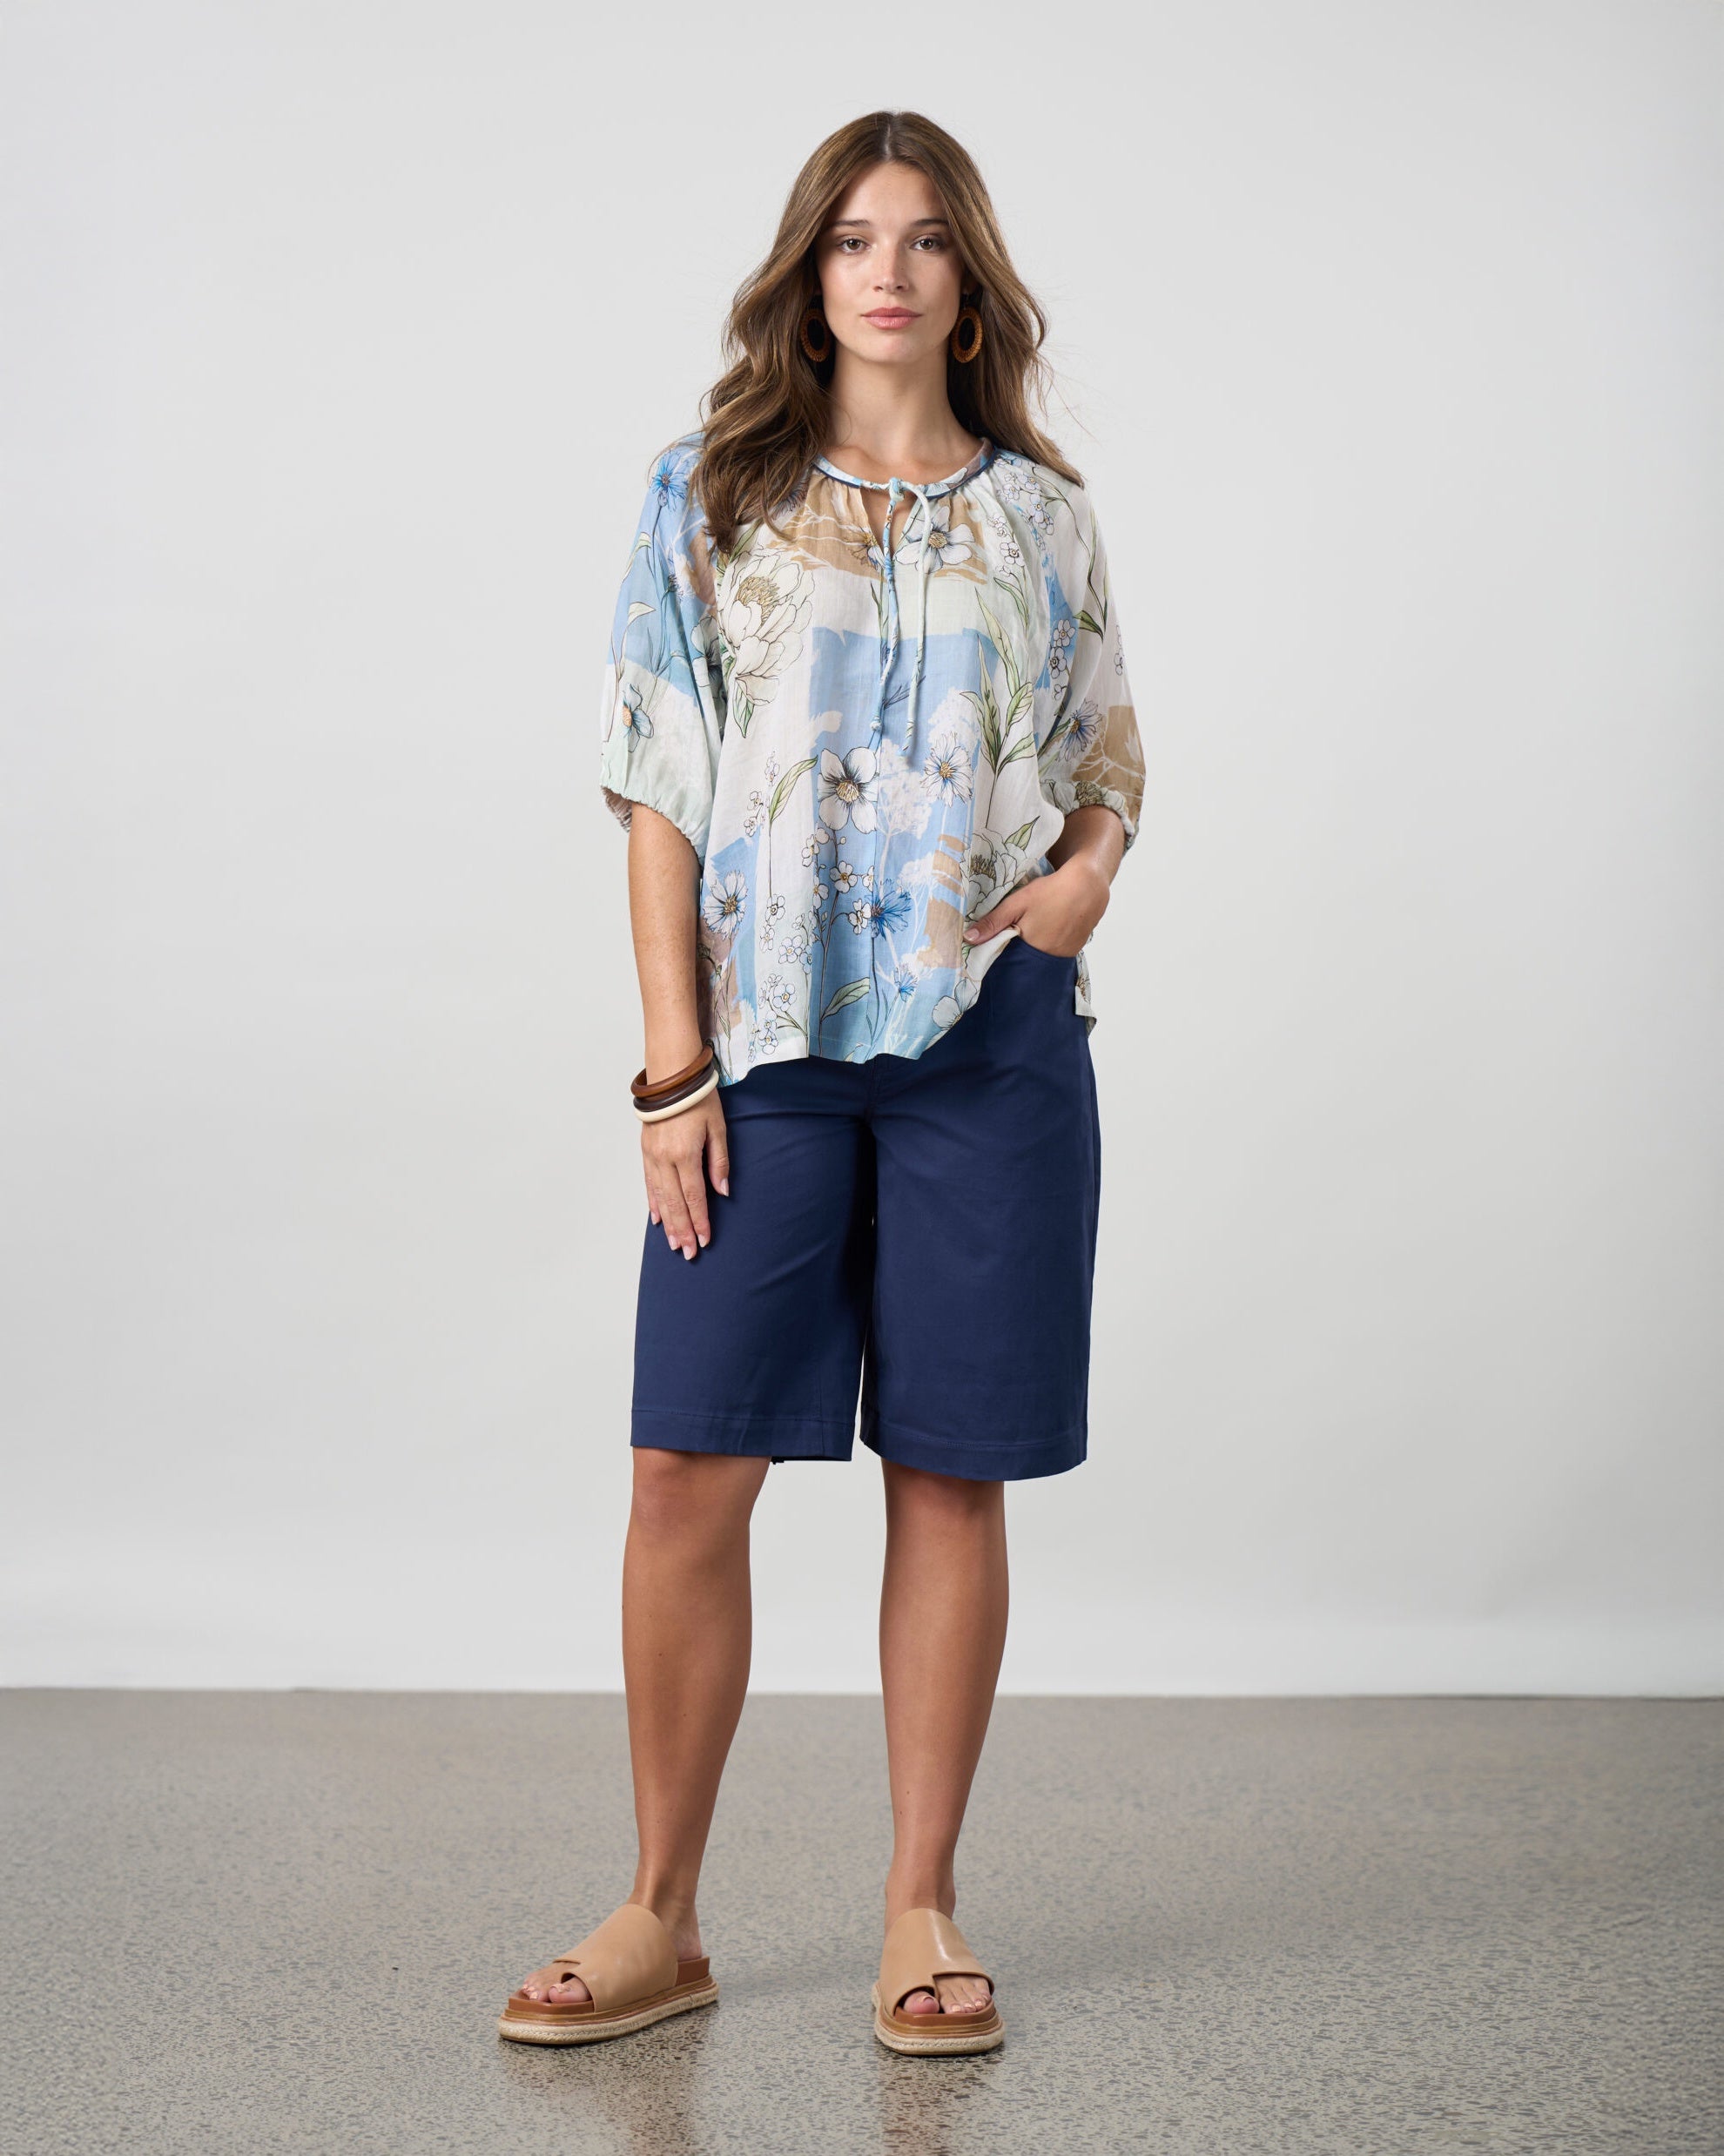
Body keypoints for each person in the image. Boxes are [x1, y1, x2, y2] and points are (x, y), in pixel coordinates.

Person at [498, 108, 1143, 2058]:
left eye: (926, 239)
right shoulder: (706, 495)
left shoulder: (1043, 515)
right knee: (685, 1467)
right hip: (759, 1052)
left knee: (952, 1473)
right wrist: (669, 1070)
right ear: (809, 274)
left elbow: (1108, 749)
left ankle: (919, 1901)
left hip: (991, 1055)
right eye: (854, 238)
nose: (888, 269)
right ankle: (660, 1911)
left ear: (969, 286)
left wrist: (1087, 875)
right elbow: (656, 784)